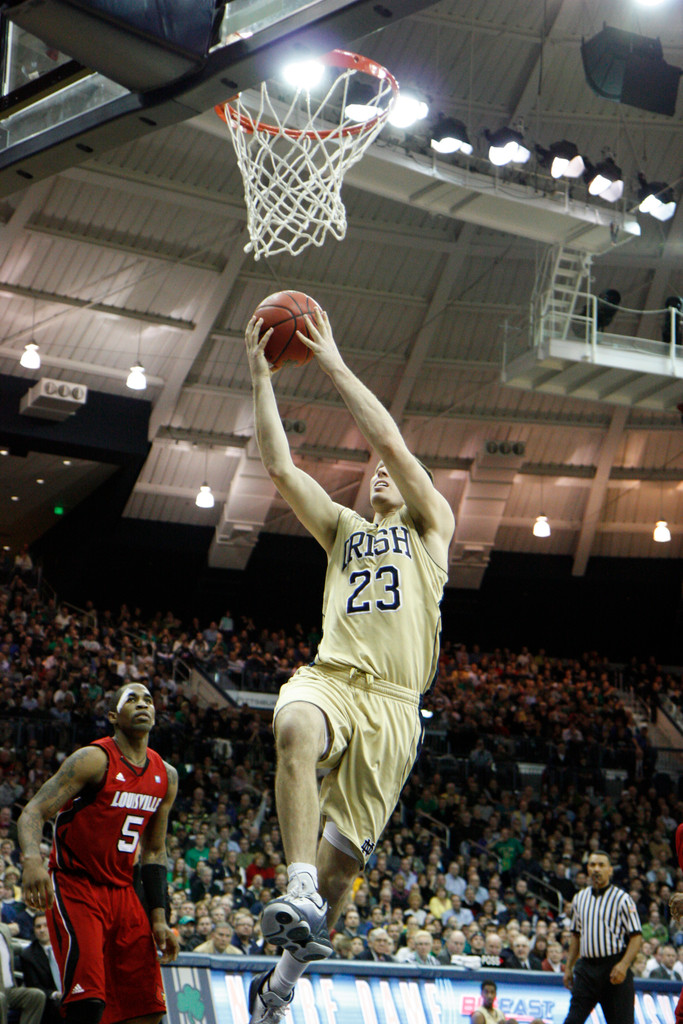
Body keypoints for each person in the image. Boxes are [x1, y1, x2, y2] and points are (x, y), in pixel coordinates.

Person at [243, 308, 454, 1024]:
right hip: (332, 677)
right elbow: (278, 467)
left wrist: (329, 359)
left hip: (395, 706)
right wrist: (258, 378)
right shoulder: (342, 529)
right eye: (375, 474)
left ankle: (282, 978)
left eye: (395, 471)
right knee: (294, 727)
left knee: (343, 877)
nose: (382, 475)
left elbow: (388, 440)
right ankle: (293, 884)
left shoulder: (431, 529)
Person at [17, 682, 179, 1024]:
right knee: (87, 1003)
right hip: (76, 885)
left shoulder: (166, 775)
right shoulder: (94, 759)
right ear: (113, 716)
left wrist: (160, 917)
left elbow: (153, 851)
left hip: (123, 891)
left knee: (148, 1009)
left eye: (148, 700)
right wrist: (32, 861)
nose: (142, 705)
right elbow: (33, 811)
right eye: (131, 699)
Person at [562, 850, 642, 1024]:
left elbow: (636, 937)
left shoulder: (623, 899)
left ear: (610, 870)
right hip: (586, 970)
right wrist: (568, 967)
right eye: (592, 865)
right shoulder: (579, 898)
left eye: (601, 865)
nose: (596, 869)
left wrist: (624, 965)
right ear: (588, 869)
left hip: (614, 968)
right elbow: (576, 935)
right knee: (572, 1021)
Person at [0, 920, 45, 1024]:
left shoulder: (4, 929)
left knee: (36, 996)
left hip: (10, 990)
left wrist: (29, 947)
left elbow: (9, 948)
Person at [20, 914, 62, 1024]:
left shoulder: (64, 947)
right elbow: (34, 986)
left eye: (45, 926)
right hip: (49, 1000)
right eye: (38, 927)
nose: (42, 930)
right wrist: (55, 994)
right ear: (34, 929)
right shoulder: (28, 955)